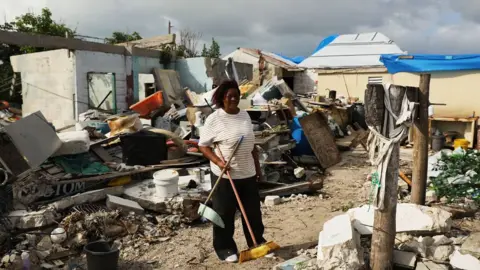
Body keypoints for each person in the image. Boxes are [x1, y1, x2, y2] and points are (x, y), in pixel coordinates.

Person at [198, 80, 271, 263]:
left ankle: (256, 242)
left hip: (247, 173)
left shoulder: (245, 115)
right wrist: (218, 161)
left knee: (253, 212)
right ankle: (225, 249)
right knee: (224, 213)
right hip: (225, 175)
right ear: (222, 98)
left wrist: (257, 168)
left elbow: (251, 145)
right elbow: (203, 146)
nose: (233, 99)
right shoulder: (214, 119)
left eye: (236, 96)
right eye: (229, 96)